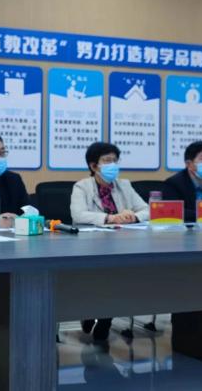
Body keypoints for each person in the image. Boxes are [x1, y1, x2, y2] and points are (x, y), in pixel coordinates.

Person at [70, 142, 149, 342]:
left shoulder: (124, 185)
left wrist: (134, 217)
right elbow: (78, 215)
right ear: (93, 166)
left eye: (115, 160)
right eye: (107, 161)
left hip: (122, 244)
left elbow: (147, 209)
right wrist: (110, 218)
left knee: (118, 278)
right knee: (99, 278)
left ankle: (105, 320)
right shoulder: (82, 186)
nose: (112, 165)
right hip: (91, 245)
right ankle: (89, 312)